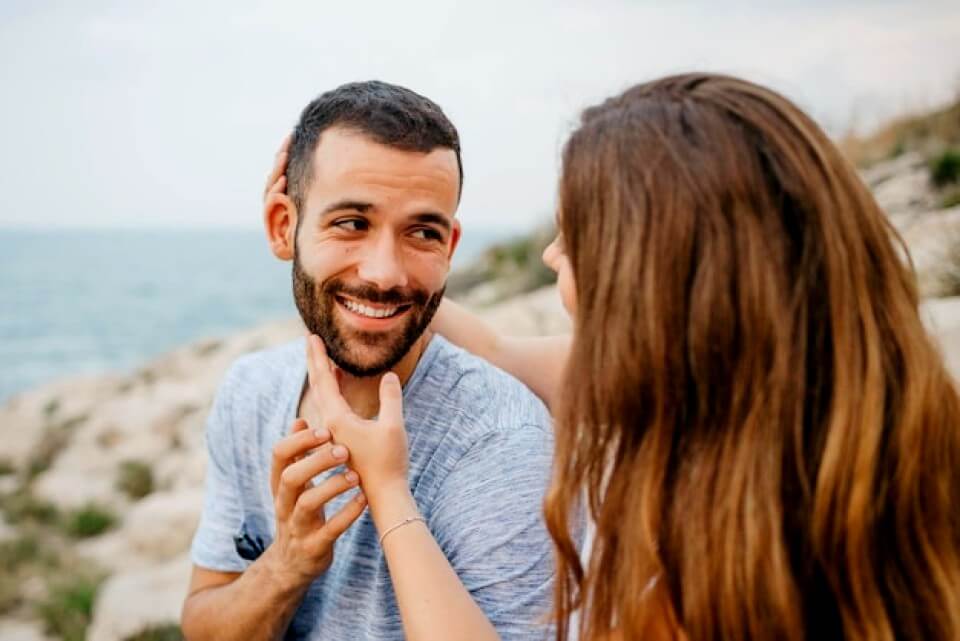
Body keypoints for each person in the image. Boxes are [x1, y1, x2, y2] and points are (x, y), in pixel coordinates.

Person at [264, 73, 960, 640]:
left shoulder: (718, 578)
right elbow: (497, 346)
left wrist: (388, 492)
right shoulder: (802, 394)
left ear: (653, 272)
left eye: (575, 236)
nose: (550, 254)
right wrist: (362, 253)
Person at [180, 80, 559, 641]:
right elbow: (203, 624)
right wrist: (286, 565)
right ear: (283, 226)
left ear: (449, 248)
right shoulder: (252, 390)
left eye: (421, 232)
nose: (384, 272)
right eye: (352, 223)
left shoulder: (504, 441)